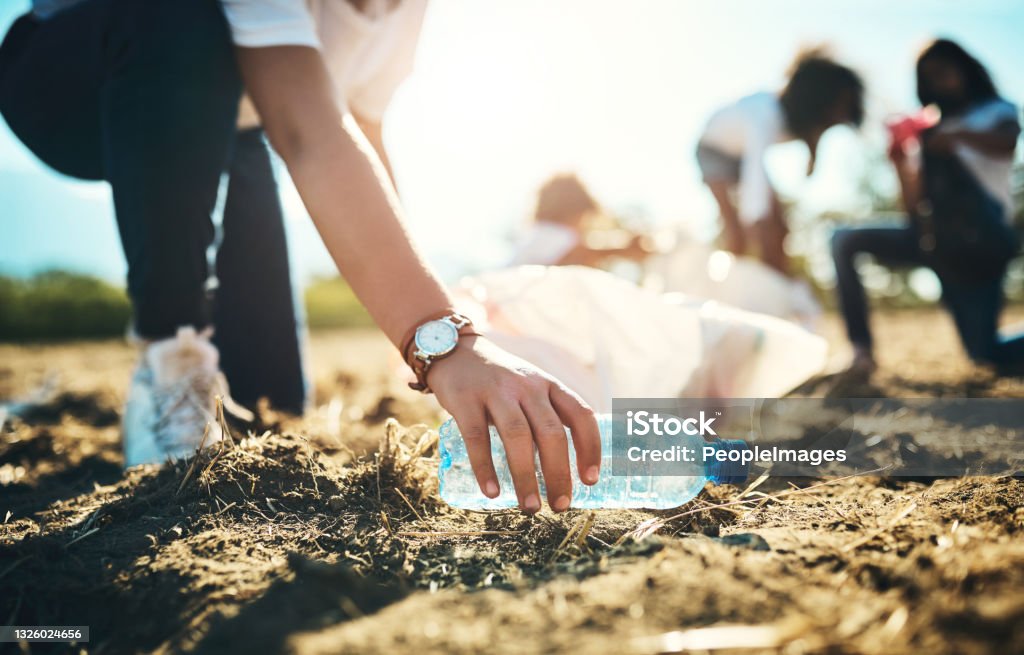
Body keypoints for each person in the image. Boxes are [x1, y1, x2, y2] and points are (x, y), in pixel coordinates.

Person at [0, 0, 601, 515]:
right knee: (183, 12)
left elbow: (360, 131)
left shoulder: (403, 13)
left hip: (231, 125)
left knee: (271, 407)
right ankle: (169, 354)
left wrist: (434, 305)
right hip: (79, 70)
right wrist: (440, 338)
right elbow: (308, 132)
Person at [831, 39, 1022, 377]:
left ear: (964, 67)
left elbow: (1007, 141)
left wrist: (957, 135)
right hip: (933, 242)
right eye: (929, 76)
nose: (939, 80)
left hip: (979, 247)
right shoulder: (925, 132)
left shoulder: (995, 111)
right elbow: (913, 207)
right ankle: (861, 351)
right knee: (844, 240)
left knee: (985, 355)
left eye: (945, 69)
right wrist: (900, 164)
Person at [696, 49, 865, 274]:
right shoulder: (763, 115)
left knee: (781, 228)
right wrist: (757, 222)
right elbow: (755, 182)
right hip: (713, 150)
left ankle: (778, 282)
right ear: (815, 102)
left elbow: (814, 134)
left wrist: (813, 156)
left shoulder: (804, 123)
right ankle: (738, 287)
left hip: (743, 154)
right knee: (738, 231)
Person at [508, 173, 651, 267]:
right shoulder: (554, 235)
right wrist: (622, 249)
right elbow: (581, 252)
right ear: (571, 212)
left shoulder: (534, 236)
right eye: (583, 219)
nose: (582, 228)